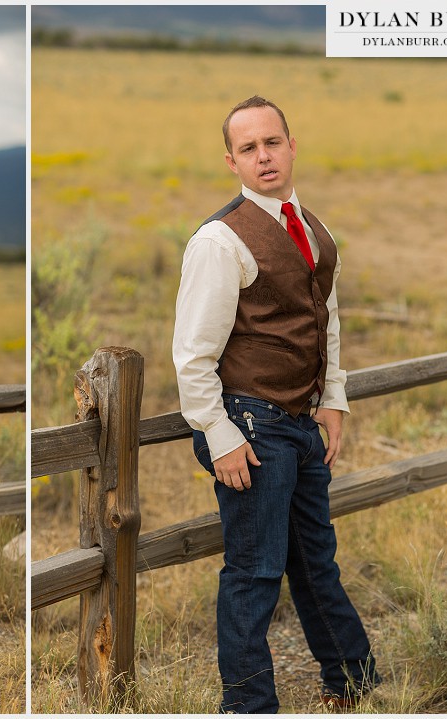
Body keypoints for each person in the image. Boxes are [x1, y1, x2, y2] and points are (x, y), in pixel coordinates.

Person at [172, 96, 380, 714]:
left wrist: (333, 399)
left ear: (292, 146)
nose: (263, 156)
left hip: (301, 423)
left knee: (316, 561)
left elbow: (326, 318)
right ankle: (248, 706)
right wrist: (220, 432)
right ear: (231, 161)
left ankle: (354, 685)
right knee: (255, 573)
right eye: (248, 148)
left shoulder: (316, 230)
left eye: (272, 142)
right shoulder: (218, 241)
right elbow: (192, 355)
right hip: (249, 425)